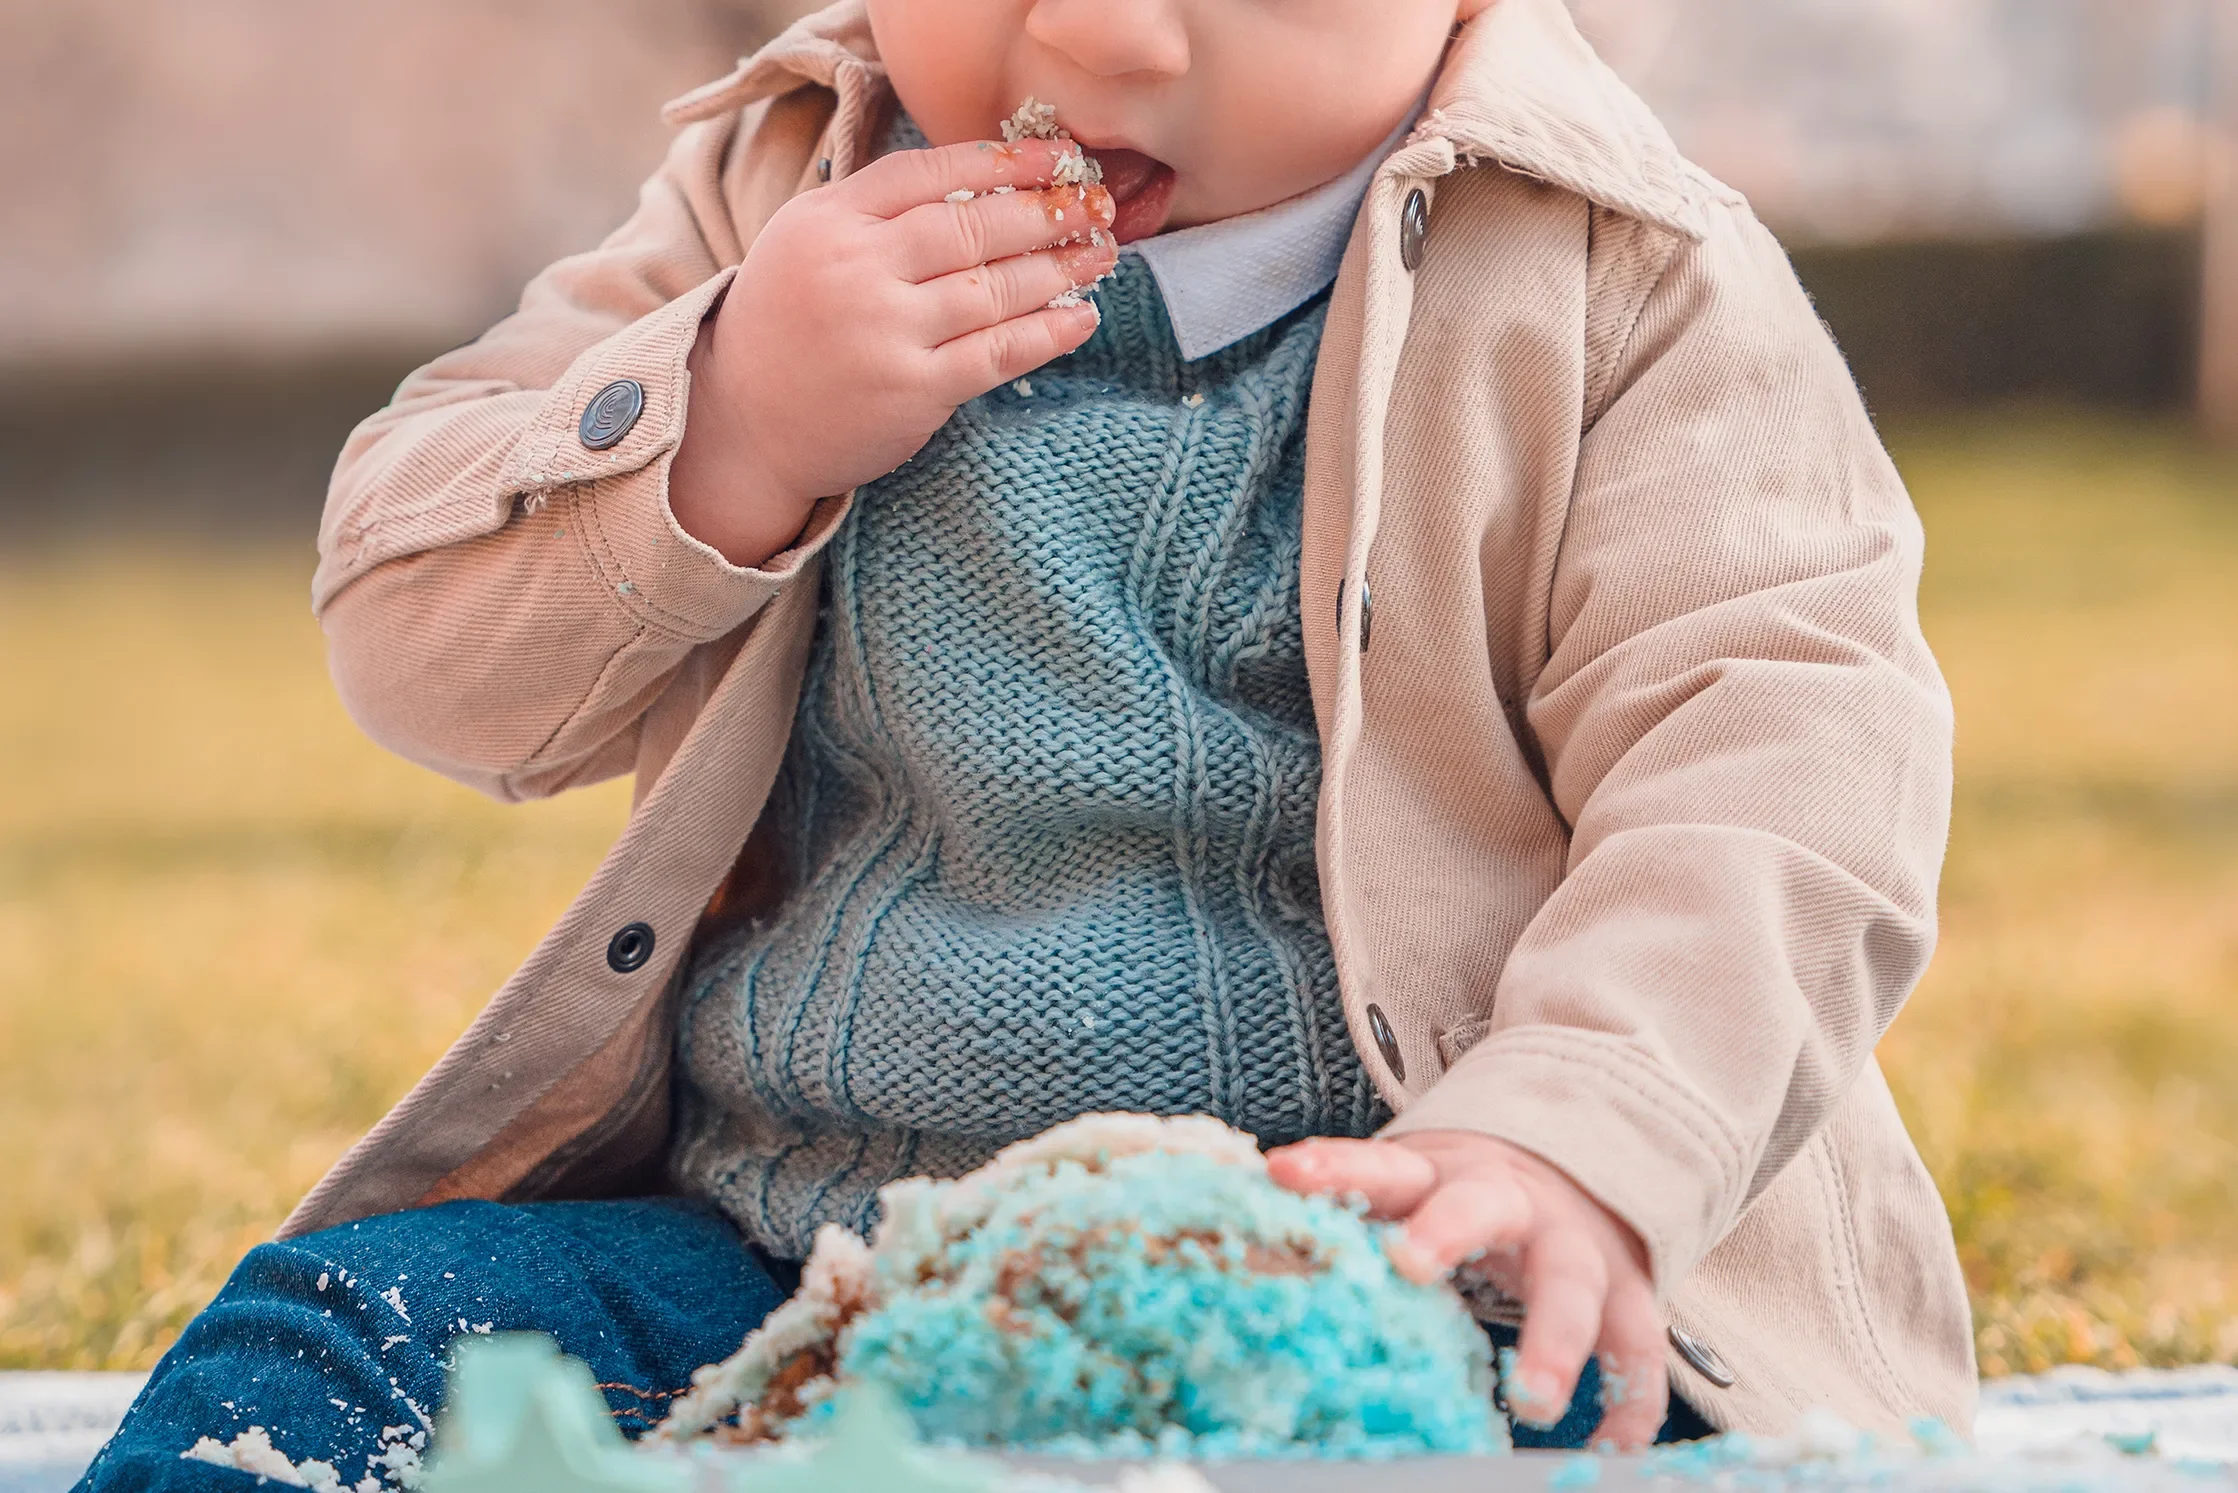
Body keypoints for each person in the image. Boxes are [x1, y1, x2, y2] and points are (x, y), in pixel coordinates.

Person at [77, 0, 1976, 1485]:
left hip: (1401, 1266)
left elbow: (1778, 754)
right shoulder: (773, 197)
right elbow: (416, 646)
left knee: (1546, 1439)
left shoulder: (1619, 277)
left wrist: (1577, 1141)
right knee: (353, 1343)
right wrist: (725, 419)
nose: (1099, 44)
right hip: (803, 1256)